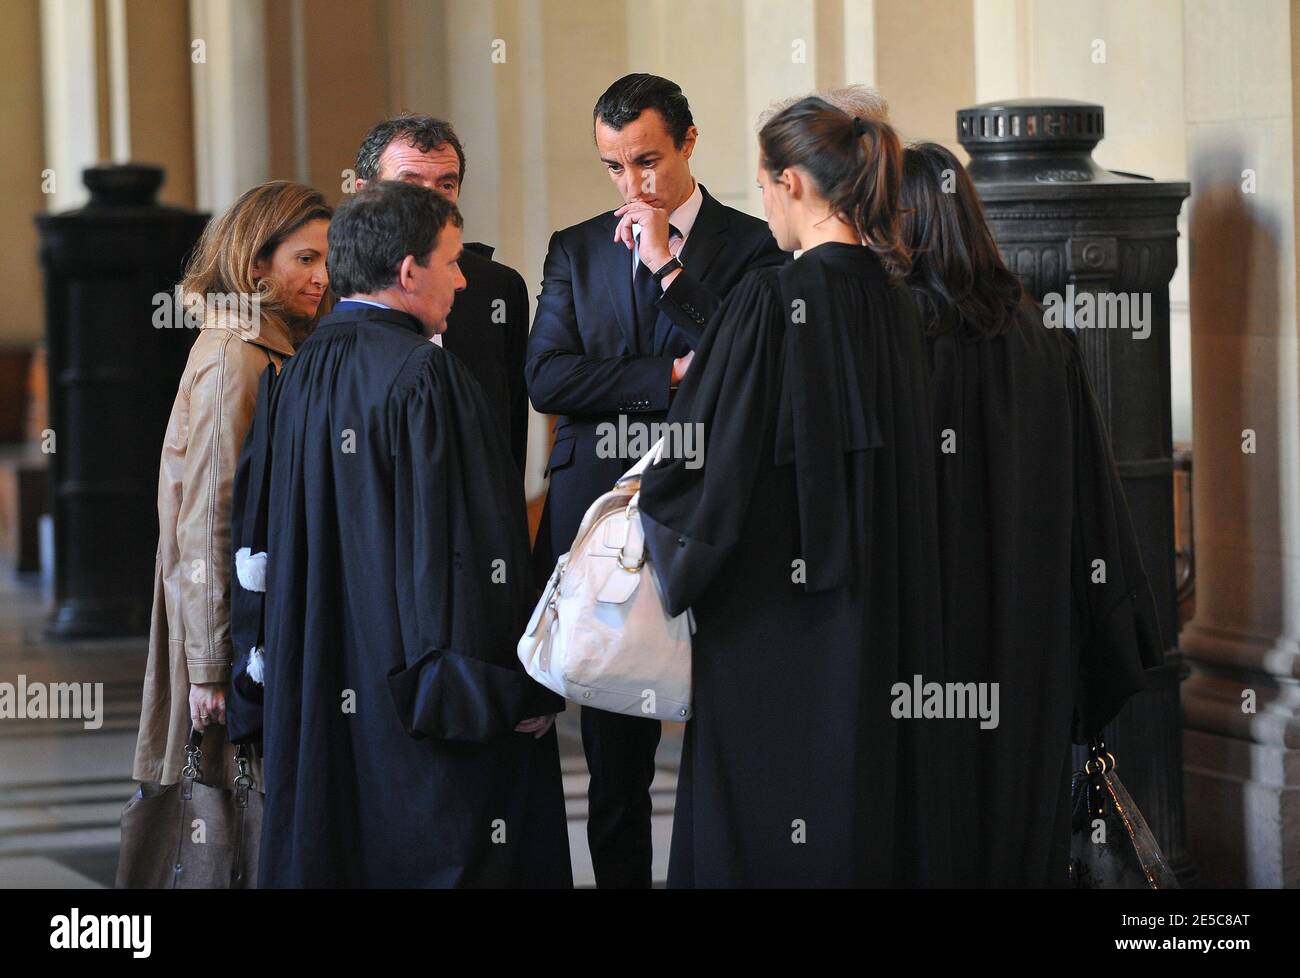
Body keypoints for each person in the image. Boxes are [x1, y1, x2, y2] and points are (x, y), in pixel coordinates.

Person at [637, 99, 952, 887]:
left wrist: (658, 512)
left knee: (762, 803)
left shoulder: (771, 297)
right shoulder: (900, 302)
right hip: (880, 598)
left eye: (764, 188)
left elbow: (702, 454)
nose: (764, 207)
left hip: (772, 614)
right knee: (859, 790)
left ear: (793, 184)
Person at [244, 180, 570, 887]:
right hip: (416, 708)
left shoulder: (296, 374)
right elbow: (467, 553)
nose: (461, 278)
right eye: (451, 261)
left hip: (322, 690)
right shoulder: (427, 375)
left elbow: (265, 543)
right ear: (407, 272)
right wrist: (509, 690)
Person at [526, 72, 787, 888]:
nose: (633, 186)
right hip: (600, 517)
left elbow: (748, 364)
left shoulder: (752, 244)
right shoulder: (574, 247)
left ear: (689, 142)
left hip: (711, 508)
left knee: (726, 734)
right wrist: (669, 376)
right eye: (614, 167)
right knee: (613, 761)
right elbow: (548, 379)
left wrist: (667, 262)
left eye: (647, 161)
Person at [900, 143, 1163, 887]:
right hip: (1031, 646)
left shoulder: (893, 343)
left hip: (926, 649)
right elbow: (1095, 513)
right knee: (1022, 835)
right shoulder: (1045, 344)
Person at [132, 181, 330, 793]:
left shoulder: (272, 343)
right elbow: (212, 515)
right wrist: (212, 667)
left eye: (329, 258)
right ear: (254, 266)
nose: (323, 276)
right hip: (228, 633)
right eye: (305, 259)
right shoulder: (236, 354)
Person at [354, 115, 530, 485]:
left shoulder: (497, 289)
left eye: (445, 185)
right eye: (410, 184)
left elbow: (509, 438)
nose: (431, 202)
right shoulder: (332, 290)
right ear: (362, 193)